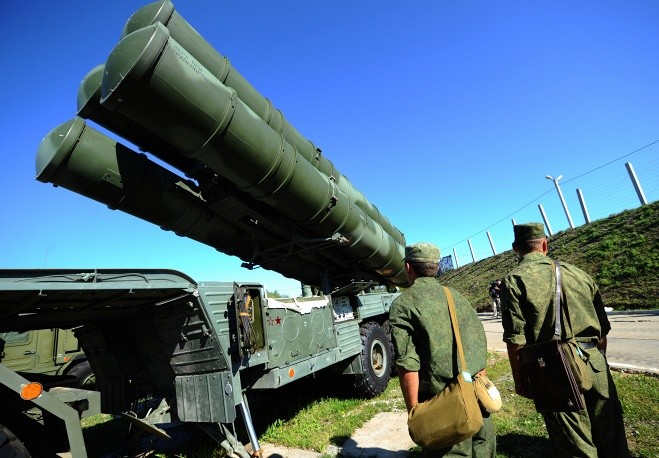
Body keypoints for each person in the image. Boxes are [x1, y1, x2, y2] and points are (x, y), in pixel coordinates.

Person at [500, 223, 630, 457]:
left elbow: (515, 339)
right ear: (545, 245)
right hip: (594, 362)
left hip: (554, 370)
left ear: (515, 248)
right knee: (612, 437)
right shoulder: (579, 274)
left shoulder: (514, 280)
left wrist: (521, 379)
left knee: (574, 443)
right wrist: (599, 361)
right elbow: (602, 330)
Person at [389, 242, 496, 457]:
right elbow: (478, 344)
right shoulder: (457, 296)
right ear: (436, 267)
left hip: (445, 410)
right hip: (477, 400)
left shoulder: (404, 304)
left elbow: (408, 364)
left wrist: (414, 412)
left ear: (409, 267)